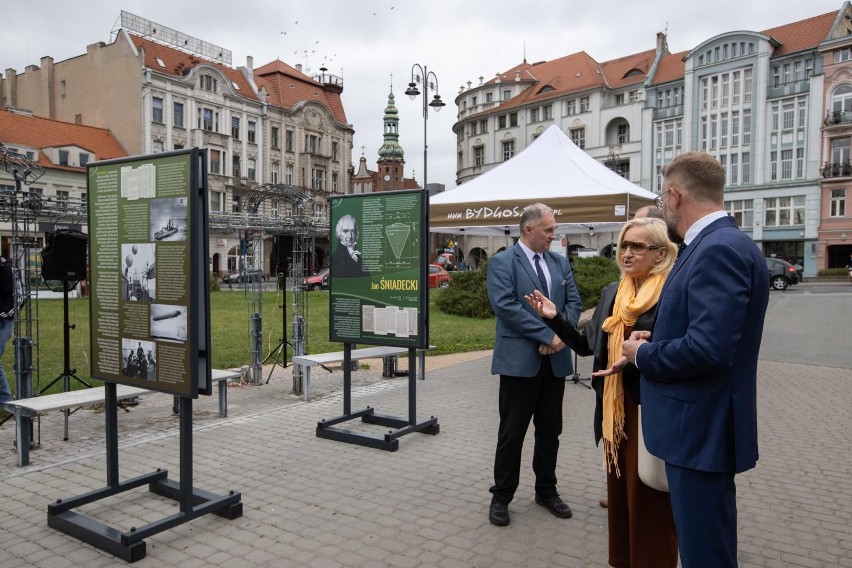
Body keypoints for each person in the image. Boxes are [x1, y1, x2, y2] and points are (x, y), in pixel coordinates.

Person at [622, 151, 770, 568]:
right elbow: (711, 332)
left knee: (706, 551)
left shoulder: (716, 249)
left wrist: (644, 353)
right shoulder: (715, 243)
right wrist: (661, 336)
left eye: (662, 197)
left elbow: (709, 349)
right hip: (702, 428)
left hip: (700, 431)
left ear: (674, 195)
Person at [526, 217, 679, 567]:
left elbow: (677, 345)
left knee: (650, 498)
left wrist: (642, 351)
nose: (627, 253)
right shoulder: (614, 291)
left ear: (659, 253)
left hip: (649, 407)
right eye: (625, 245)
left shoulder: (672, 292)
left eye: (638, 246)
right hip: (614, 408)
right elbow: (586, 345)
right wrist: (554, 317)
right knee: (621, 497)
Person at [486, 203, 584, 526]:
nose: (554, 235)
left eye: (554, 229)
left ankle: (546, 490)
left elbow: (573, 303)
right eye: (549, 230)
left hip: (554, 364)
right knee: (511, 433)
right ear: (528, 229)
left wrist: (558, 336)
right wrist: (547, 334)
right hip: (519, 364)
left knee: (550, 431)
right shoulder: (503, 262)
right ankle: (501, 496)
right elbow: (506, 307)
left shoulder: (560, 263)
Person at [331, 214, 370, 278]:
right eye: (345, 231)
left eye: (352, 231)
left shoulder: (360, 255)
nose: (350, 236)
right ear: (339, 234)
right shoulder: (335, 258)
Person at [0, 256, 15, 404]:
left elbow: (14, 297)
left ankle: (5, 400)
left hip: (3, 321)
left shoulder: (6, 269)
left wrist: (4, 313)